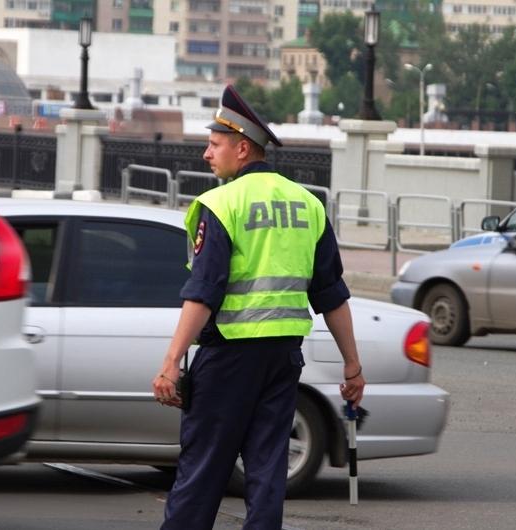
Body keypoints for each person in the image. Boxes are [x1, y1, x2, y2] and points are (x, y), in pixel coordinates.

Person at [152, 85, 366, 530]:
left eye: (214, 145)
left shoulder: (222, 204)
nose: (206, 155)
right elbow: (332, 294)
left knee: (203, 469)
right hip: (282, 358)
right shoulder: (309, 205)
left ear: (242, 148)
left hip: (229, 356)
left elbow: (204, 291)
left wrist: (172, 361)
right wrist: (352, 366)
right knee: (267, 472)